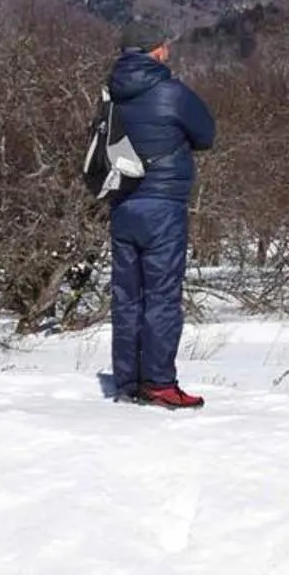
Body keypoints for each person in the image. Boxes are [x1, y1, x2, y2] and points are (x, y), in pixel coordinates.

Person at [105, 21, 216, 408]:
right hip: (163, 203)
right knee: (162, 296)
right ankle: (159, 382)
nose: (168, 51)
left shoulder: (112, 92)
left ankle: (127, 381)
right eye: (165, 45)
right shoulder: (172, 92)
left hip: (122, 201)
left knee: (126, 296)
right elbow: (206, 134)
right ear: (156, 50)